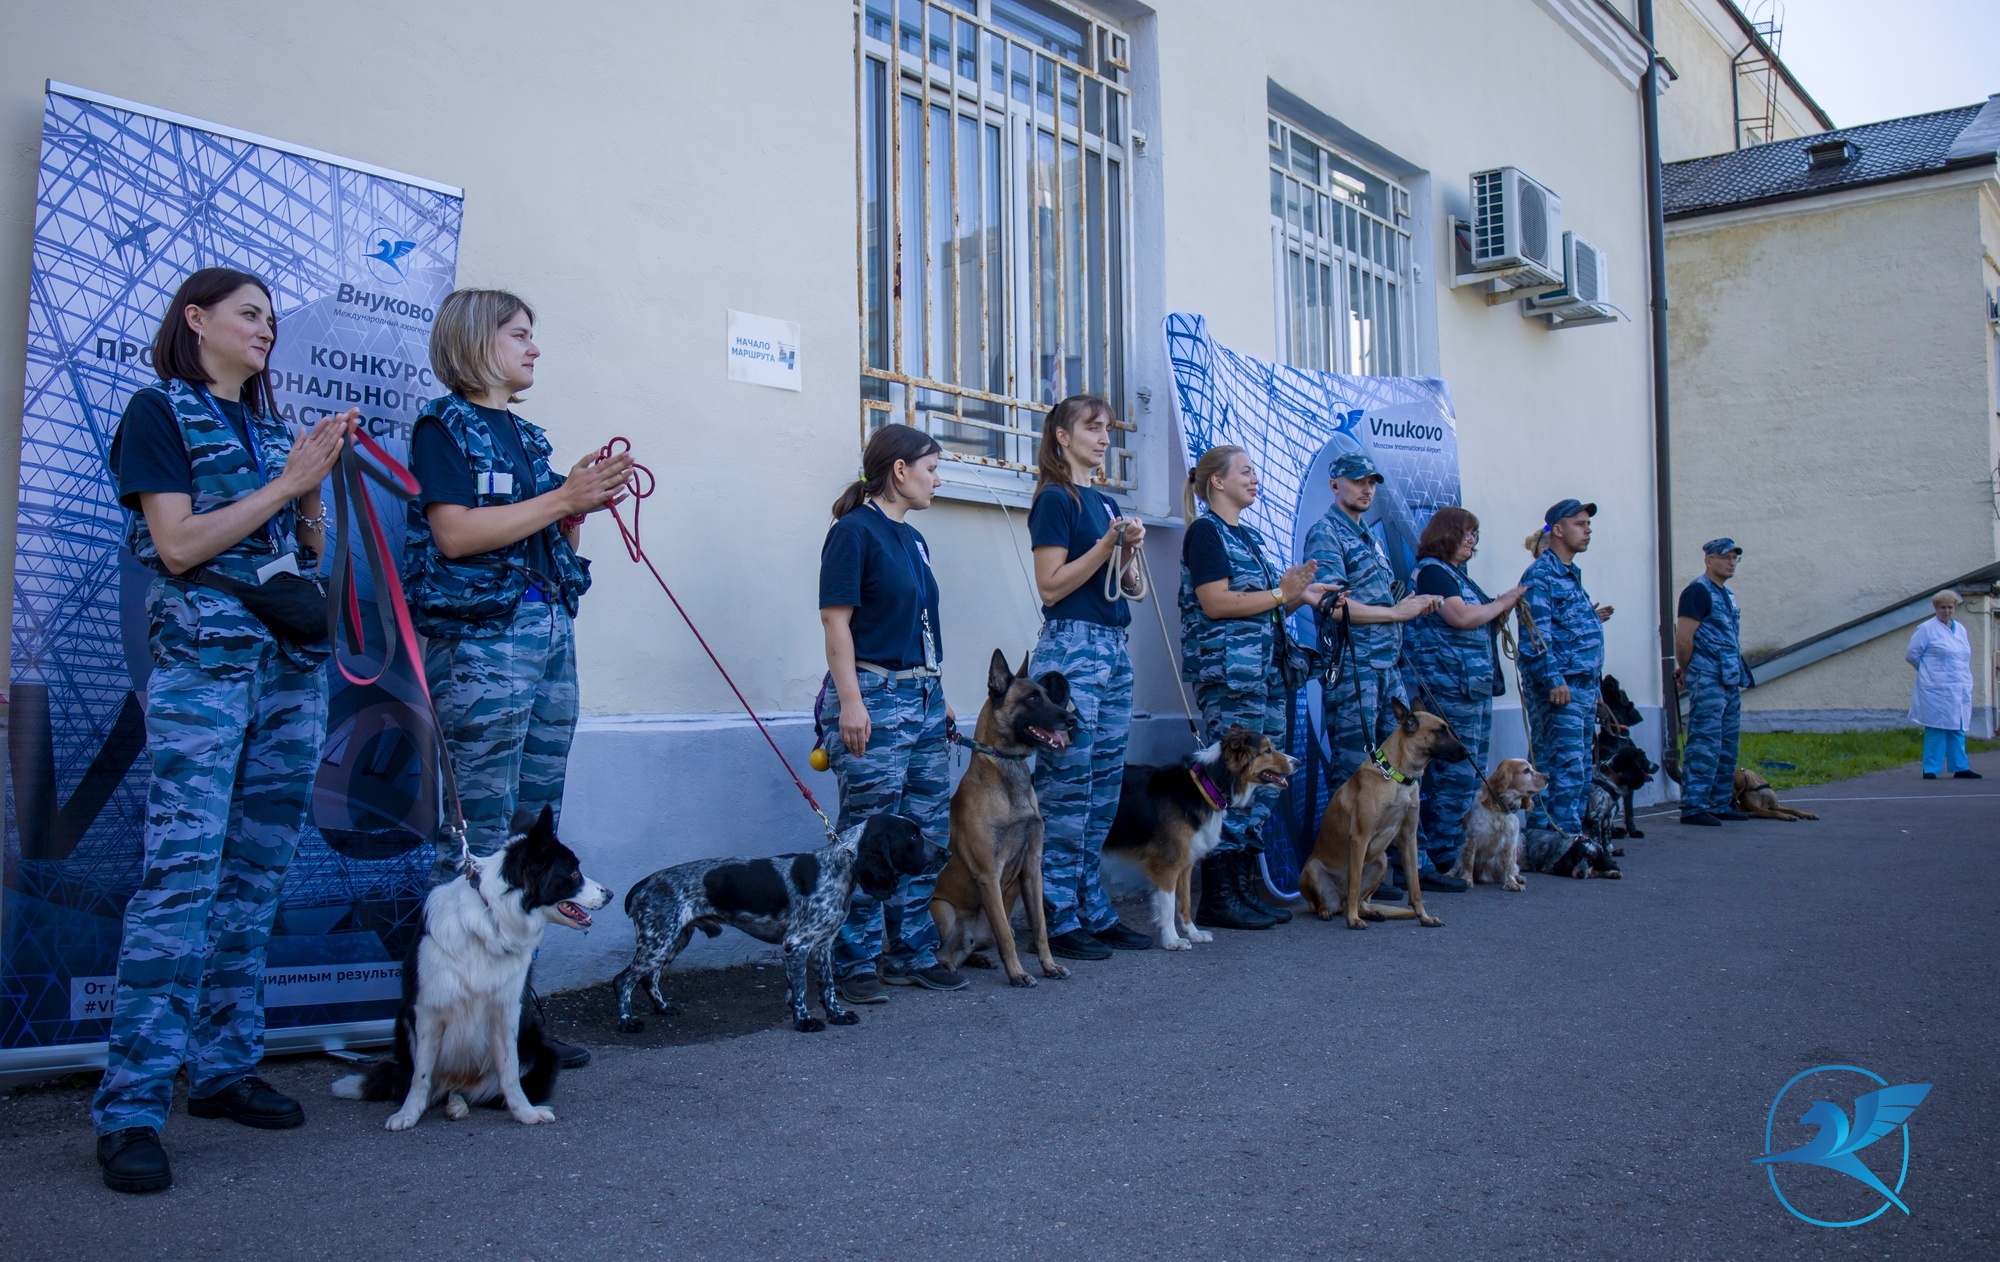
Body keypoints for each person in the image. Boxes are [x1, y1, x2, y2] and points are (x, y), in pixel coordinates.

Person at [93, 268, 357, 1194]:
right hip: (205, 670)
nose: (266, 328)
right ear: (195, 319)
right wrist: (289, 481)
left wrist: (311, 493)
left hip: (289, 672)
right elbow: (176, 546)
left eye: (272, 318)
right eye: (249, 314)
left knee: (257, 875)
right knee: (182, 880)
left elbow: (307, 553)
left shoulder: (270, 428)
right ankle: (131, 1109)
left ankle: (222, 1068)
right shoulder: (158, 411)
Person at [403, 289, 630, 1067]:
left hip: (546, 632)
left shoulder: (528, 437)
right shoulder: (444, 426)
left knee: (531, 839)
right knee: (475, 841)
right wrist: (563, 496)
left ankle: (512, 1029)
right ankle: (444, 1038)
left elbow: (547, 540)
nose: (534, 349)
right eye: (520, 335)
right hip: (482, 646)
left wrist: (576, 507)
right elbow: (454, 534)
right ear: (477, 341)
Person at [819, 423, 967, 1002]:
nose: (938, 480)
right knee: (868, 833)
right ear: (899, 471)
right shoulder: (853, 533)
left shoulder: (914, 539)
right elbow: (836, 621)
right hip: (873, 697)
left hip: (923, 697)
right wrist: (851, 702)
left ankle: (910, 952)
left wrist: (939, 694)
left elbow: (919, 623)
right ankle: (851, 960)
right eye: (931, 468)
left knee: (925, 831)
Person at [1179, 445, 1334, 929]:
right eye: (1245, 471)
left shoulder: (1246, 536)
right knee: (1232, 780)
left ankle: (1243, 887)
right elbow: (1216, 603)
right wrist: (1281, 593)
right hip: (1230, 677)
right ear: (1217, 482)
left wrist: (1298, 597)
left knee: (1264, 779)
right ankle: (1219, 895)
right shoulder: (1205, 533)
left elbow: (1261, 606)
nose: (1255, 478)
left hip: (1262, 674)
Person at [1025, 395, 1153, 960]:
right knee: (1067, 788)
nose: (1104, 439)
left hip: (1111, 649)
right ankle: (1055, 914)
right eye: (1093, 428)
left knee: (1102, 787)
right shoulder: (1056, 499)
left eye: (1108, 429)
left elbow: (1130, 587)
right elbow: (1051, 586)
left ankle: (1090, 908)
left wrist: (1127, 552)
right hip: (1071, 649)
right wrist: (1106, 545)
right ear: (1062, 436)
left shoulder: (1104, 502)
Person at [1301, 451, 1441, 892]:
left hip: (1385, 668)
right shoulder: (1326, 533)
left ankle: (1402, 866)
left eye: (1372, 482)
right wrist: (1396, 613)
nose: (1367, 488)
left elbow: (1378, 600)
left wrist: (1407, 604)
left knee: (1399, 769)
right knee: (1356, 771)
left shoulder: (1367, 536)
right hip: (1355, 670)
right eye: (1358, 480)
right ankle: (1350, 878)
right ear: (1335, 484)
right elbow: (1332, 606)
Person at [1401, 507, 1525, 877]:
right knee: (1452, 778)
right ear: (1446, 534)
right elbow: (1461, 617)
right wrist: (1503, 602)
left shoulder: (1455, 574)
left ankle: (1455, 853)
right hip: (1449, 688)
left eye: (1475, 534)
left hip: (1470, 688)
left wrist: (1498, 609)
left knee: (1469, 775)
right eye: (1466, 532)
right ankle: (1442, 854)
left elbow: (1476, 619)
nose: (1472, 540)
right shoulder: (1434, 572)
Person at [1517, 499, 1614, 838]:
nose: (1588, 530)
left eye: (1588, 524)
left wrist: (1595, 688)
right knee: (1560, 767)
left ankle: (1565, 839)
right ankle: (1554, 840)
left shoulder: (1569, 575)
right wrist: (1553, 679)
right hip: (1561, 689)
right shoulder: (1542, 575)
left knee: (1578, 769)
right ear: (1557, 530)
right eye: (1580, 524)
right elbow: (1535, 637)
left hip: (1581, 689)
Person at [1675, 538, 1754, 825]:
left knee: (1726, 743)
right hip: (1708, 677)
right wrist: (1686, 669)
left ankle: (1719, 802)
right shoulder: (1698, 591)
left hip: (1729, 677)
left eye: (1735, 558)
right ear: (1709, 560)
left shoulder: (1726, 594)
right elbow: (1683, 638)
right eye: (1725, 557)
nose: (1731, 562)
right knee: (1704, 742)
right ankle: (1694, 805)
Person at [1907, 590, 1980, 780]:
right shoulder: (1926, 628)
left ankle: (1960, 767)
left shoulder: (1960, 629)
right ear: (1935, 608)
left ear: (1955, 608)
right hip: (1936, 687)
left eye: (1950, 607)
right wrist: (1929, 672)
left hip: (1958, 685)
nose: (1946, 611)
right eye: (1942, 607)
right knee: (1936, 726)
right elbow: (1912, 654)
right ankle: (1931, 768)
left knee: (1957, 726)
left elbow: (1962, 656)